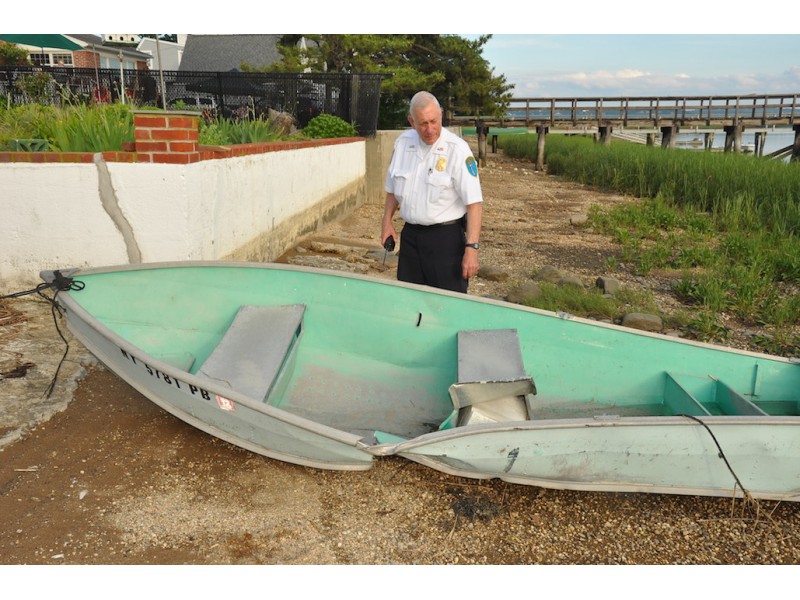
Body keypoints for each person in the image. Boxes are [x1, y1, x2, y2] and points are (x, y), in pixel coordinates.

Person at [382, 91, 484, 293]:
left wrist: (471, 249)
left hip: (445, 240)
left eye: (434, 121)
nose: (430, 129)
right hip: (410, 238)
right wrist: (386, 223)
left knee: (447, 306)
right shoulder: (403, 144)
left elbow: (474, 204)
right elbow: (392, 190)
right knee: (410, 302)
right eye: (423, 123)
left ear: (442, 115)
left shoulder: (458, 150)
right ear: (411, 121)